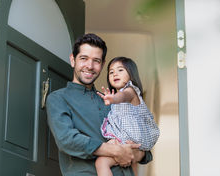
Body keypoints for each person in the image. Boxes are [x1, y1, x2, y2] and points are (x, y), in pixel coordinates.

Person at [46, 33, 152, 176]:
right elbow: (67, 140)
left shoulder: (113, 102)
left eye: (96, 61)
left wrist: (134, 153)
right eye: (84, 58)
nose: (90, 66)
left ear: (102, 65)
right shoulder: (58, 98)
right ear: (73, 60)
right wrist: (116, 150)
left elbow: (144, 149)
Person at [95, 57, 160, 176]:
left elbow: (123, 96)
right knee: (130, 165)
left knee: (101, 163)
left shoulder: (131, 91)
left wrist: (113, 98)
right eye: (111, 72)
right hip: (126, 139)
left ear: (131, 74)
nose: (115, 74)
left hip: (130, 138)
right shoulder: (116, 101)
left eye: (120, 70)